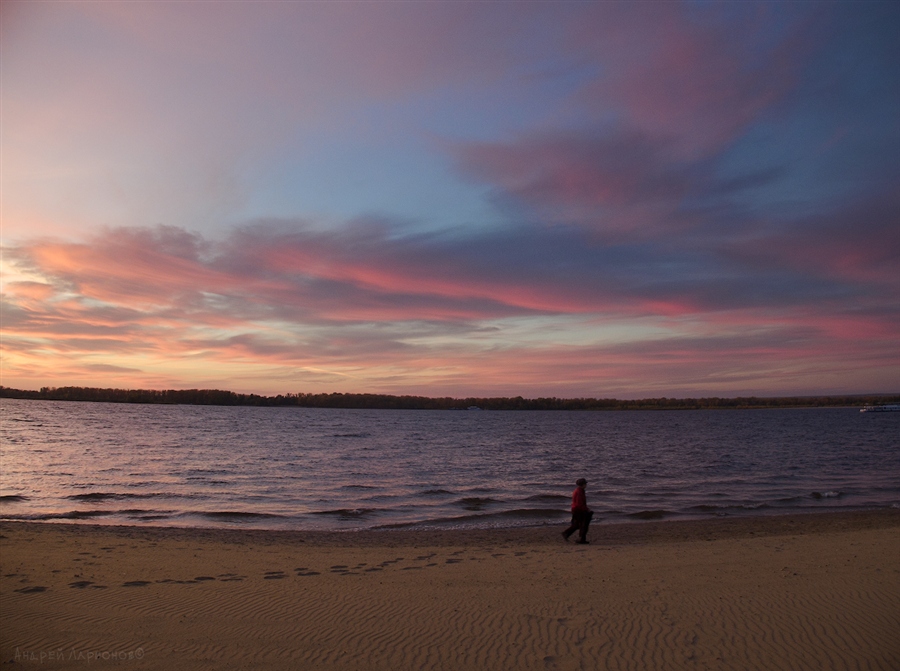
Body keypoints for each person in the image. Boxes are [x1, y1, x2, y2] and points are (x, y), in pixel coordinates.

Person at [562, 478, 593, 544]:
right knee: (581, 524)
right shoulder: (579, 491)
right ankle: (569, 534)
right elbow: (579, 503)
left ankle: (579, 538)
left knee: (579, 524)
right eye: (585, 484)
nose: (586, 485)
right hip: (578, 510)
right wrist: (586, 509)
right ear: (583, 484)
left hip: (577, 509)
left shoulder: (580, 490)